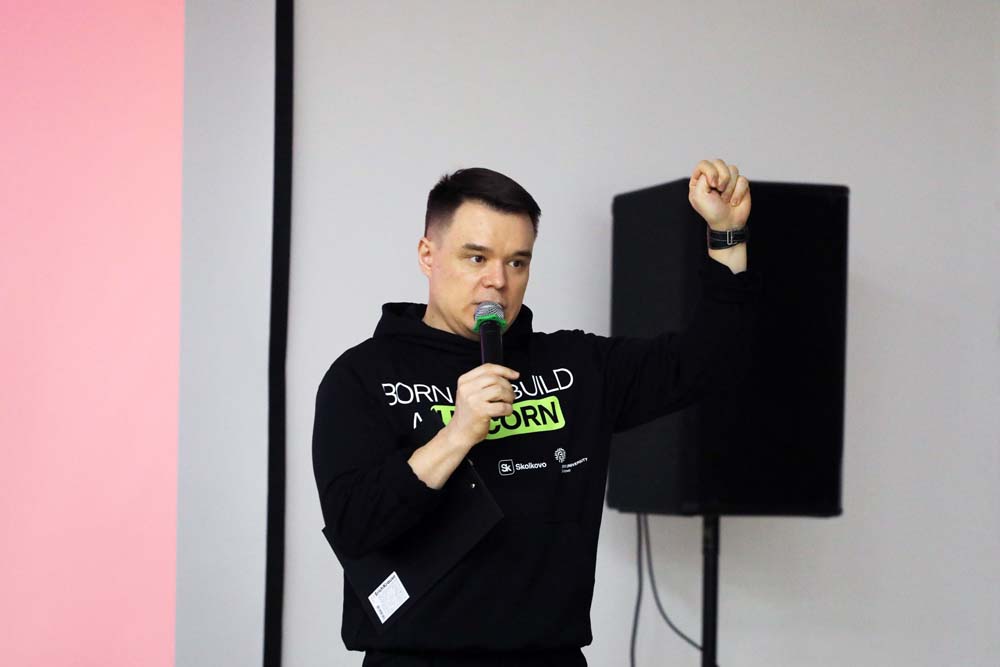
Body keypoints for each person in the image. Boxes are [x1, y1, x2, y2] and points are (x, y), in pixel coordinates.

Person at [313, 159, 759, 666]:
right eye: (476, 258)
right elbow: (354, 526)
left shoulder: (578, 367)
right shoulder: (362, 376)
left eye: (517, 263)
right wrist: (456, 434)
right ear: (427, 255)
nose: (497, 282)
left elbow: (708, 363)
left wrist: (727, 235)